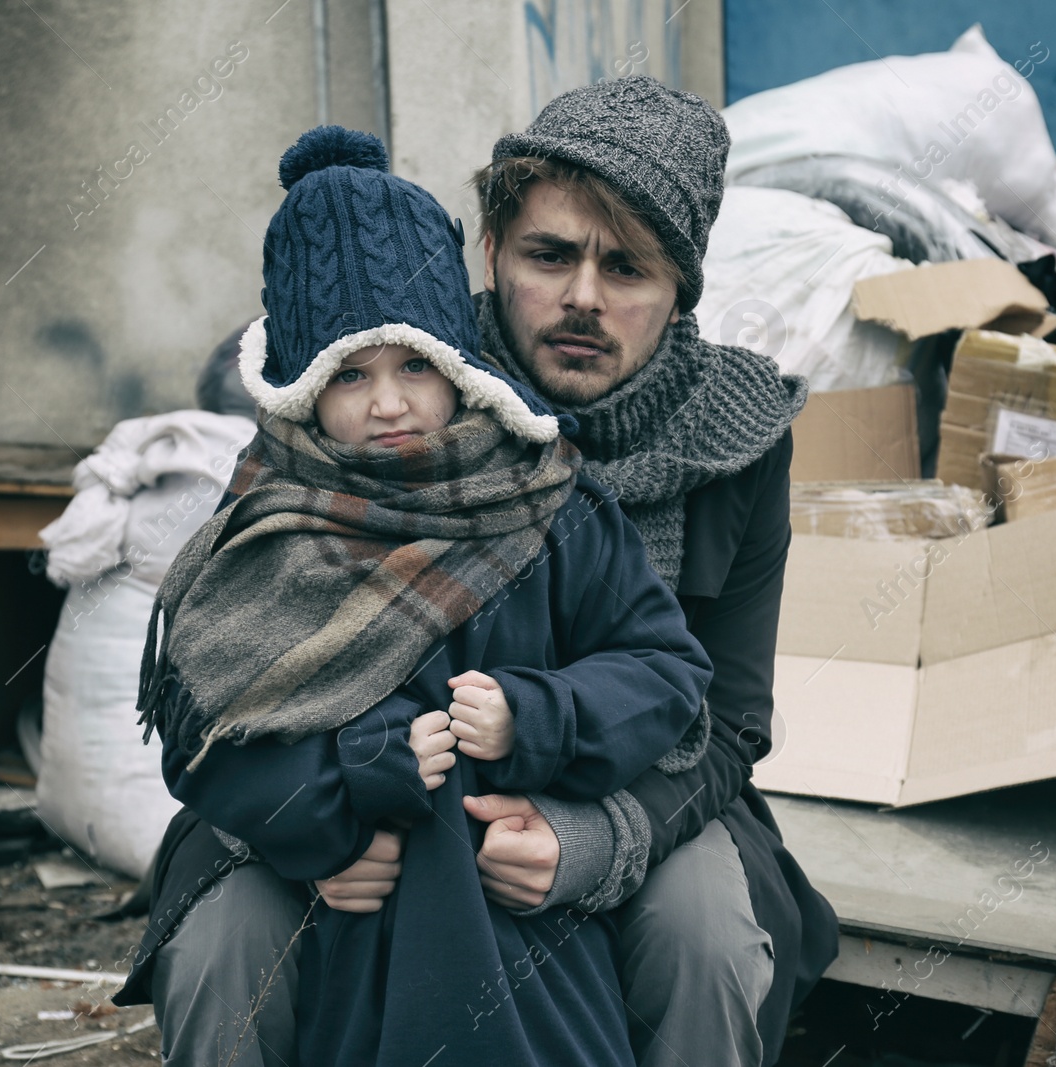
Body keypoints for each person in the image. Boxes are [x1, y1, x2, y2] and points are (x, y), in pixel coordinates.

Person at [120, 76, 840, 1067]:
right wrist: (315, 824)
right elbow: (223, 673)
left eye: (627, 267)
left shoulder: (735, 443)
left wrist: (601, 839)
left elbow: (728, 715)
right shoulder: (382, 368)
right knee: (222, 945)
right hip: (328, 774)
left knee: (703, 936)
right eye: (550, 255)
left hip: (642, 782)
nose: (584, 297)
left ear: (681, 290)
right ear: (492, 251)